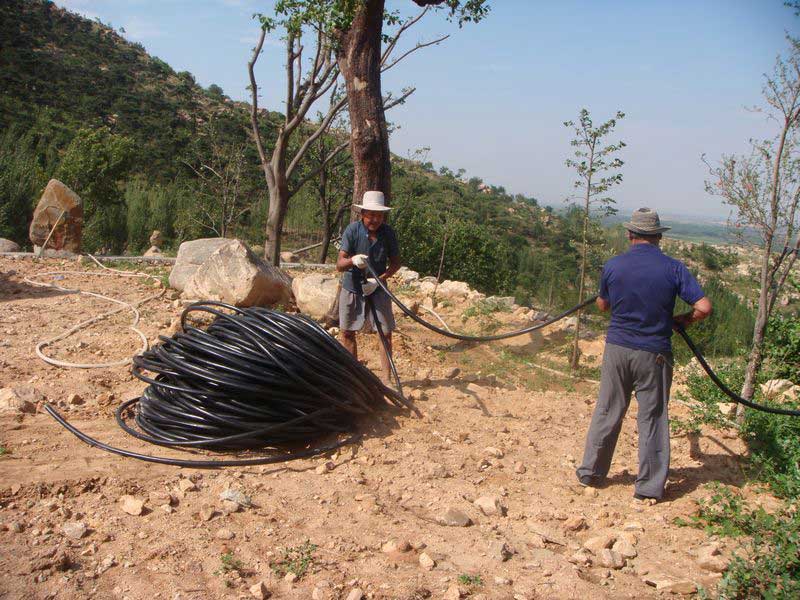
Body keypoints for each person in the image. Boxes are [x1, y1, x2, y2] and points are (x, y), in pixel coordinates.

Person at [575, 208, 712, 502]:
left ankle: (591, 473)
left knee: (608, 409)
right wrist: (683, 320)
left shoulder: (613, 265)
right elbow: (704, 307)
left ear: (630, 234)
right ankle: (648, 487)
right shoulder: (674, 268)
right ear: (659, 237)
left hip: (617, 349)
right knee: (652, 417)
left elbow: (602, 305)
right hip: (654, 353)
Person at [336, 191, 401, 382]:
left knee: (385, 332)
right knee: (347, 332)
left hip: (377, 287)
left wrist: (379, 279)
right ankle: (353, 378)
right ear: (363, 213)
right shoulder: (352, 230)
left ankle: (386, 380)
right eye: (371, 215)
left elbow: (396, 263)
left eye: (379, 215)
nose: (375, 219)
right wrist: (352, 260)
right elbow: (339, 264)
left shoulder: (388, 233)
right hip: (352, 287)